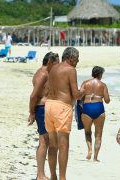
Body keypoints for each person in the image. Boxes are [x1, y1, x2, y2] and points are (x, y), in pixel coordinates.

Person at [45, 47, 84, 180]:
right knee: (63, 145)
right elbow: (76, 94)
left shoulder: (53, 68)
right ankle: (62, 177)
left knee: (52, 145)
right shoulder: (70, 70)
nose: (78, 61)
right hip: (62, 108)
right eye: (77, 58)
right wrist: (83, 90)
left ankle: (53, 176)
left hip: (49, 105)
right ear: (70, 58)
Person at [28, 52, 59, 180]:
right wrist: (32, 113)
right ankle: (40, 174)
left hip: (45, 109)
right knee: (44, 141)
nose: (58, 66)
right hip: (42, 109)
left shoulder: (46, 73)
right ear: (50, 62)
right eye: (57, 63)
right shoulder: (43, 74)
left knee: (46, 142)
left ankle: (43, 174)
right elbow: (33, 96)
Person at [80, 66, 110, 161]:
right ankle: (95, 157)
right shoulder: (103, 85)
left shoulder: (85, 83)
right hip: (99, 108)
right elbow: (107, 100)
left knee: (87, 132)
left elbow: (79, 96)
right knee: (98, 135)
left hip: (87, 107)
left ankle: (89, 150)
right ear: (100, 74)